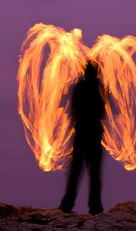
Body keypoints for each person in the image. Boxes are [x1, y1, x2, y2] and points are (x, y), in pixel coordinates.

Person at [59, 61, 106, 215]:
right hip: (93, 134)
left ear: (85, 73)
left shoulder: (80, 87)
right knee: (94, 174)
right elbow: (110, 108)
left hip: (82, 134)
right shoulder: (100, 88)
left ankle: (67, 205)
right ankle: (95, 207)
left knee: (76, 172)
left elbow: (70, 107)